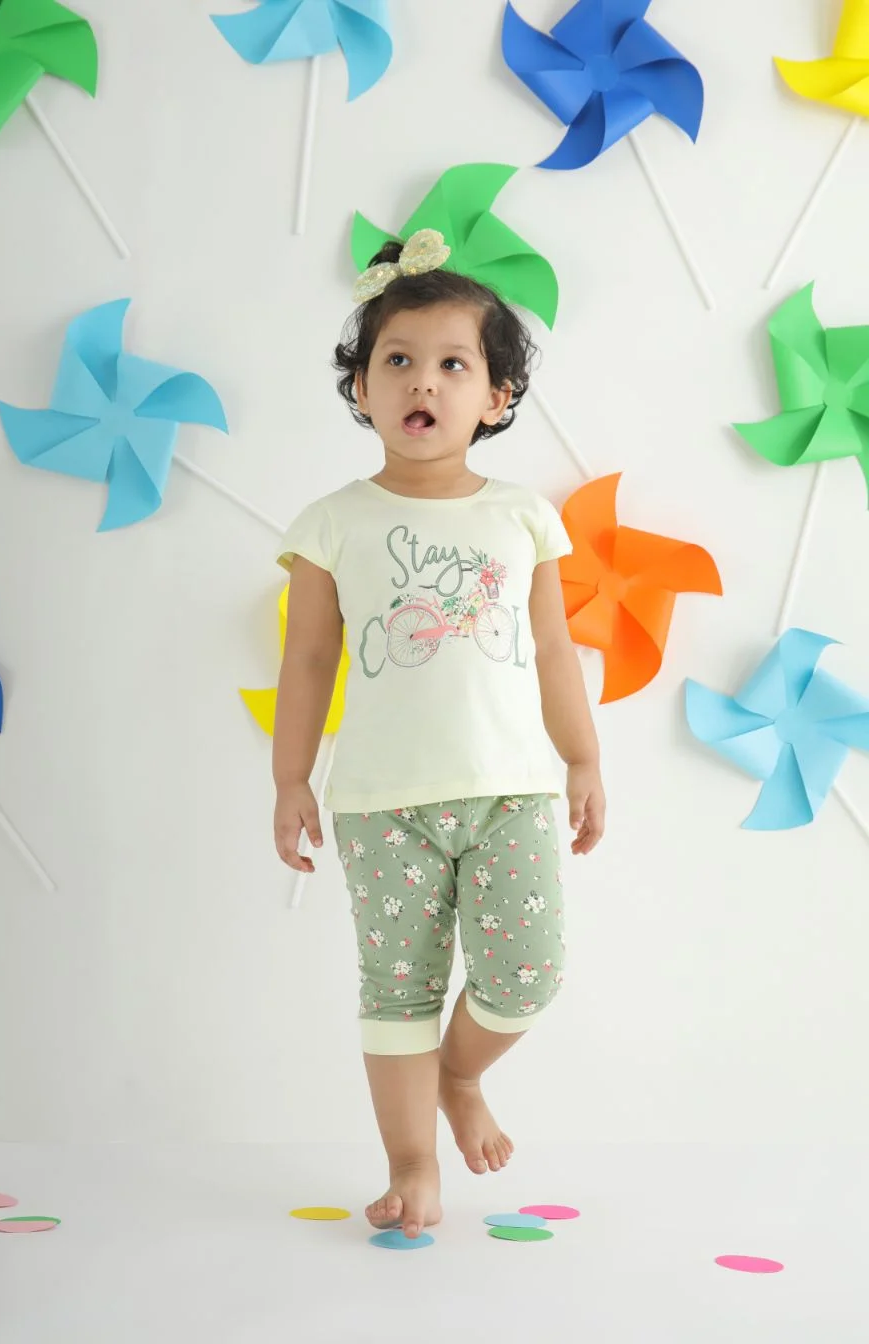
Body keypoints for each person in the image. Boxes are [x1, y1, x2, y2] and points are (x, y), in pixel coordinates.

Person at [272, 229, 606, 1240]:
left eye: (453, 364)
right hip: (382, 803)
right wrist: (290, 779)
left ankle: (460, 1075)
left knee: (528, 972)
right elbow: (308, 663)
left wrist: (583, 758)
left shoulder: (522, 517)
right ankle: (411, 1166)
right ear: (361, 389)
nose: (423, 380)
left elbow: (554, 651)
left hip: (511, 790)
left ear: (496, 398)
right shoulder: (331, 523)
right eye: (398, 360)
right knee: (398, 989)